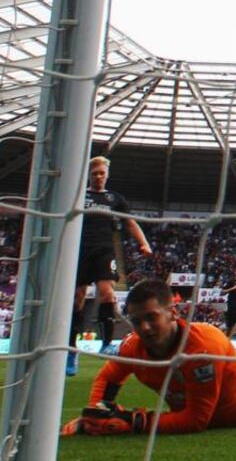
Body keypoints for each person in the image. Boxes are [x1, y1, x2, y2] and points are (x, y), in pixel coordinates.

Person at [61, 279, 236, 436]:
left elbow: (196, 420)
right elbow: (108, 378)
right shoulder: (133, 346)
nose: (145, 327)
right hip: (223, 390)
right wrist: (96, 416)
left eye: (152, 317)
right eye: (136, 321)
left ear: (173, 313)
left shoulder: (202, 349)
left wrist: (135, 421)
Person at [68, 156, 152, 376]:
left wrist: (143, 243)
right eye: (94, 173)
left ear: (107, 174)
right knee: (77, 298)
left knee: (107, 294)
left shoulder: (114, 198)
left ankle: (106, 344)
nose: (98, 176)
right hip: (80, 250)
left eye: (101, 173)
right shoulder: (80, 196)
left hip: (104, 251)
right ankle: (71, 349)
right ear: (89, 175)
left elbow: (129, 222)